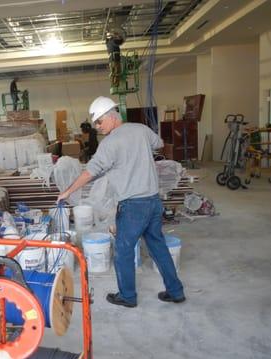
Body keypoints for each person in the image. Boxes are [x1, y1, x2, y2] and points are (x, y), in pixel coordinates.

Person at [58, 96, 185, 308]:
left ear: (112, 116)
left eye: (99, 121)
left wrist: (67, 191)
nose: (97, 127)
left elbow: (90, 172)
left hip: (134, 206)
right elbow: (160, 144)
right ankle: (176, 291)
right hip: (153, 202)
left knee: (123, 251)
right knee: (158, 247)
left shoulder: (110, 143)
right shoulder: (141, 129)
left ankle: (127, 296)